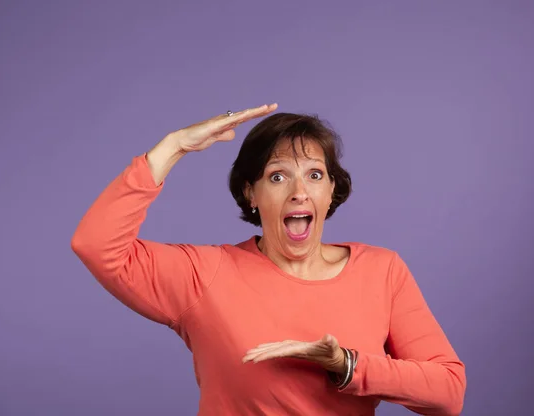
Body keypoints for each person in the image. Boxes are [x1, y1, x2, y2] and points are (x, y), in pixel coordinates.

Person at [71, 103, 466, 415]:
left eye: (314, 175)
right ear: (251, 193)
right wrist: (173, 147)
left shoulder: (382, 271)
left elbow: (448, 393)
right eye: (278, 177)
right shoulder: (205, 275)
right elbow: (96, 244)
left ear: (332, 190)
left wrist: (347, 365)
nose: (298, 191)